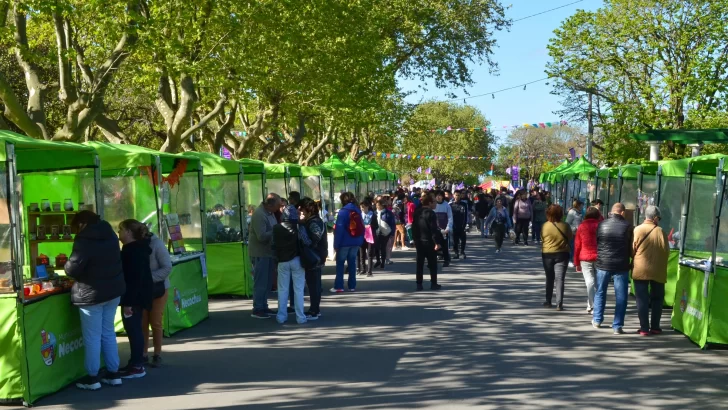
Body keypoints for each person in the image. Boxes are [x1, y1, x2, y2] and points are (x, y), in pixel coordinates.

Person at [64, 211, 125, 390]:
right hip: (113, 291)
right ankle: (114, 374)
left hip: (91, 294)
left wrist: (66, 266)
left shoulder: (84, 240)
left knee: (92, 337)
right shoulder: (111, 235)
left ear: (82, 224)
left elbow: (73, 269)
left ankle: (92, 377)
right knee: (108, 333)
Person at [117, 219, 154, 379]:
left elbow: (133, 279)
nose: (118, 233)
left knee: (134, 330)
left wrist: (128, 302)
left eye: (120, 230)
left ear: (128, 232)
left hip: (134, 298)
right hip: (139, 296)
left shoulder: (132, 251)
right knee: (135, 330)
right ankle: (135, 362)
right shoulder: (138, 249)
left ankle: (137, 365)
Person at [593, 203, 633, 334]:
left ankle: (597, 320)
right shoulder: (627, 226)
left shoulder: (602, 224)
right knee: (621, 296)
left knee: (600, 292)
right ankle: (617, 326)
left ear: (612, 211)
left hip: (603, 263)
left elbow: (597, 242)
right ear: (622, 212)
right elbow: (630, 246)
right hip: (621, 264)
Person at [632, 205, 670, 336]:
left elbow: (632, 249)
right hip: (658, 270)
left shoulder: (637, 229)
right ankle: (655, 327)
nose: (658, 220)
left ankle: (644, 328)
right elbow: (666, 251)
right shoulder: (661, 231)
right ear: (654, 218)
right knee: (657, 299)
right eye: (658, 218)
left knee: (641, 299)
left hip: (640, 269)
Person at [140, 221, 171, 368]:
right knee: (142, 323)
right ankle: (143, 354)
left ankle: (157, 354)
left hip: (159, 289)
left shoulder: (157, 244)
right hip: (142, 290)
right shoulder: (134, 245)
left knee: (156, 322)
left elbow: (167, 268)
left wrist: (147, 278)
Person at [272, 205, 306, 324]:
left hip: (282, 261)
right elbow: (307, 241)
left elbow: (273, 245)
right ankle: (300, 317)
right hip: (297, 260)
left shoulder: (276, 228)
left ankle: (281, 316)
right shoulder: (299, 227)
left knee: (282, 289)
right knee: (298, 290)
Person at [249, 193, 281, 319]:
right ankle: (257, 308)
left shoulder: (270, 212)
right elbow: (261, 236)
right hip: (260, 253)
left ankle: (263, 305)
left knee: (267, 282)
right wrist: (276, 230)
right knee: (260, 281)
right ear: (270, 205)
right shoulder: (259, 215)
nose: (279, 208)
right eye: (278, 205)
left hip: (268, 253)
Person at [299, 198, 328, 320]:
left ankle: (314, 310)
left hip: (314, 256)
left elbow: (312, 240)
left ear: (308, 210)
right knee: (314, 284)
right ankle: (315, 309)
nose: (301, 213)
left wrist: (301, 230)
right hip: (317, 255)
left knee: (314, 285)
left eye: (302, 211)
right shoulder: (315, 221)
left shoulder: (313, 222)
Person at [541, 205, 573, 310]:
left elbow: (542, 238)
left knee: (549, 278)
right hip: (562, 254)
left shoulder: (545, 226)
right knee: (560, 279)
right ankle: (559, 303)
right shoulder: (565, 225)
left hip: (547, 254)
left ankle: (548, 301)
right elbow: (570, 237)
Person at [332, 192, 364, 292]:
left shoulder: (342, 212)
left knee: (340, 264)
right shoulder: (357, 210)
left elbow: (339, 229)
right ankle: (352, 286)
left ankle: (339, 286)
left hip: (344, 242)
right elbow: (362, 226)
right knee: (352, 263)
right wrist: (360, 240)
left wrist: (336, 244)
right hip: (356, 241)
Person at [412, 193, 444, 291]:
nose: (435, 204)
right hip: (429, 242)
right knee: (433, 263)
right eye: (434, 202)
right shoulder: (431, 213)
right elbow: (433, 229)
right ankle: (433, 283)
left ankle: (419, 284)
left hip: (419, 241)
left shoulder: (417, 212)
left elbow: (414, 227)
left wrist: (415, 239)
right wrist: (437, 243)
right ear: (429, 203)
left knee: (420, 263)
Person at [574, 207, 601, 314]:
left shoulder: (581, 226)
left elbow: (577, 245)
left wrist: (576, 262)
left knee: (589, 282)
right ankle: (596, 304)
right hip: (599, 257)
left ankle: (591, 305)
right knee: (599, 282)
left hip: (585, 257)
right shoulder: (600, 226)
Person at [376, 198, 396, 270]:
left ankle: (383, 262)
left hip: (386, 233)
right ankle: (378, 260)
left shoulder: (388, 213)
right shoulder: (376, 213)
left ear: (382, 205)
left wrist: (392, 233)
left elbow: (392, 224)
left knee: (383, 247)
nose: (377, 207)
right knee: (377, 248)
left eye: (378, 205)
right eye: (376, 205)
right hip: (377, 232)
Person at [358, 199, 377, 276]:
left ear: (368, 207)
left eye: (364, 207)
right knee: (362, 253)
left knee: (369, 253)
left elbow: (376, 225)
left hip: (370, 236)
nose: (362, 209)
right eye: (361, 207)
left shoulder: (372, 215)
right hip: (362, 236)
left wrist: (370, 226)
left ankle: (369, 271)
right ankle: (363, 269)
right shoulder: (359, 215)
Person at [434, 191, 453, 267]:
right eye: (437, 195)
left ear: (442, 197)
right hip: (435, 229)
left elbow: (450, 218)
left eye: (440, 195)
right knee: (435, 245)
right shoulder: (433, 205)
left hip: (444, 229)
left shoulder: (447, 206)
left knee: (444, 246)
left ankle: (446, 260)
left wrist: (448, 228)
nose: (438, 197)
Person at [450, 190, 469, 259]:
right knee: (455, 240)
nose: (457, 196)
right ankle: (456, 252)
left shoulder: (464, 204)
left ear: (461, 195)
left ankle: (462, 252)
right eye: (456, 195)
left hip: (462, 224)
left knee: (463, 239)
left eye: (458, 195)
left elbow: (466, 215)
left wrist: (465, 225)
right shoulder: (451, 205)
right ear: (453, 195)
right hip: (454, 225)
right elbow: (449, 216)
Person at [566, 199, 584, 268]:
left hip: (578, 233)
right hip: (573, 233)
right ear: (578, 205)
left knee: (575, 247)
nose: (582, 207)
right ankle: (570, 260)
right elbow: (567, 223)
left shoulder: (579, 212)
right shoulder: (572, 212)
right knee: (572, 246)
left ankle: (573, 260)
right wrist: (575, 228)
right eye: (581, 205)